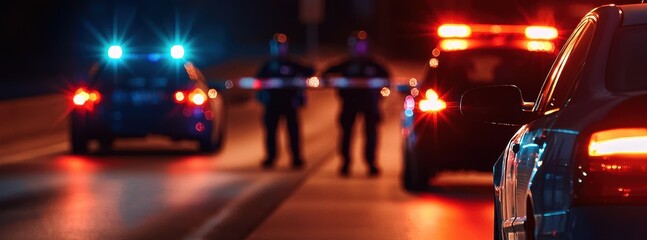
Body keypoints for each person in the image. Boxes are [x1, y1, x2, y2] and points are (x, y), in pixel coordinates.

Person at [322, 31, 390, 177]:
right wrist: (331, 82)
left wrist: (380, 95)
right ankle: (345, 163)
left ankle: (371, 163)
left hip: (370, 104)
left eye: (362, 46)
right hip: (349, 104)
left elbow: (388, 81)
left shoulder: (375, 66)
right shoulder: (346, 65)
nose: (360, 49)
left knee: (371, 134)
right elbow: (326, 73)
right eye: (357, 46)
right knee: (347, 134)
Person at [256, 33, 313, 169]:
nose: (279, 49)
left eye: (282, 46)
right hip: (272, 103)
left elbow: (309, 71)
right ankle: (271, 157)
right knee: (271, 132)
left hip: (290, 103)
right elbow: (258, 81)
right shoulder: (268, 65)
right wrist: (261, 96)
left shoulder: (293, 64)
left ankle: (296, 158)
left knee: (293, 132)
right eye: (277, 46)